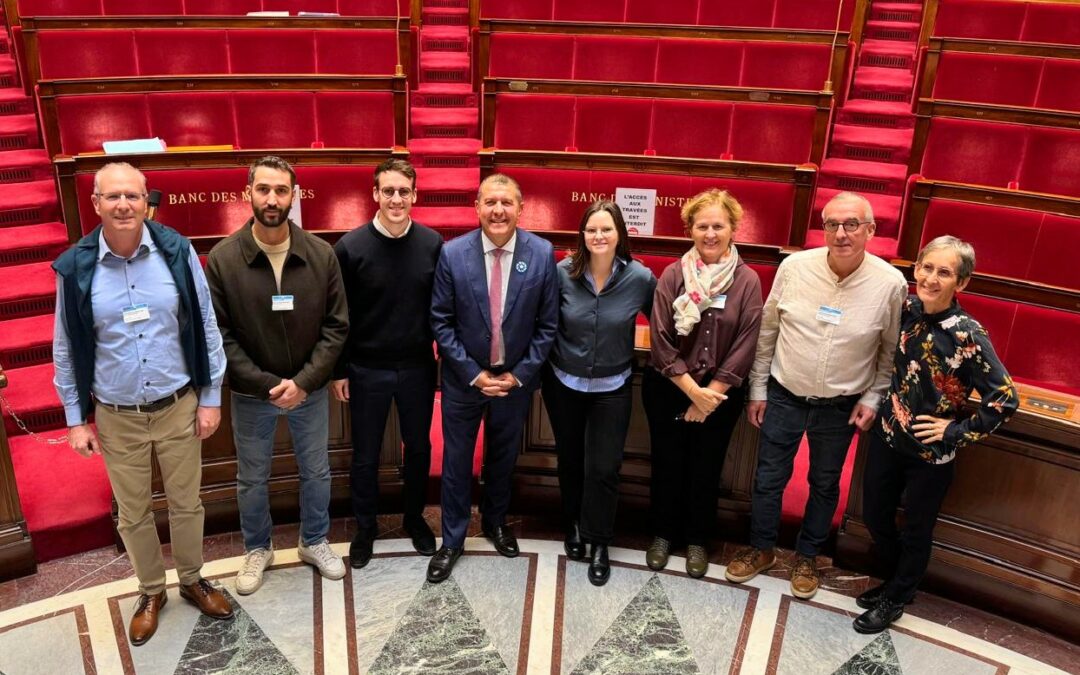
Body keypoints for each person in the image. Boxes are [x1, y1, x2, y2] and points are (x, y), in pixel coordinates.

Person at [52, 162, 231, 645]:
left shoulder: (176, 251)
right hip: (117, 414)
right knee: (132, 513)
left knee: (187, 503)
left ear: (146, 200)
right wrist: (75, 419)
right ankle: (151, 590)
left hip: (178, 404)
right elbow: (65, 346)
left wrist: (210, 396)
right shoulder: (74, 267)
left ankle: (192, 579)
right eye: (113, 197)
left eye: (132, 196)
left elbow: (206, 324)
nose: (123, 205)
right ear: (95, 203)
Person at [725, 191, 907, 599]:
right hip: (784, 393)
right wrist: (758, 388)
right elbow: (768, 331)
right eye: (832, 224)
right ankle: (761, 548)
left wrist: (873, 398)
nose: (841, 234)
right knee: (768, 478)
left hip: (841, 405)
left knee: (824, 483)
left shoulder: (890, 284)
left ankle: (808, 556)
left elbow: (889, 350)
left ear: (871, 230)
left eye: (852, 224)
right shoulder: (794, 268)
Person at [853, 236, 1017, 633]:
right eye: (926, 267)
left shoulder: (968, 333)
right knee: (874, 515)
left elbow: (1005, 398)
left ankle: (897, 596)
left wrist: (956, 430)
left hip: (931, 454)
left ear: (962, 282)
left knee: (916, 531)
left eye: (944, 272)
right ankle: (897, 582)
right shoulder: (907, 309)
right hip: (888, 437)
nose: (930, 278)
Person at [205, 156, 349, 594]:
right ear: (248, 193)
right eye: (264, 189)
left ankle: (314, 540)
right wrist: (267, 384)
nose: (272, 199)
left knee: (316, 471)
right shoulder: (223, 259)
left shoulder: (321, 254)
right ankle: (257, 548)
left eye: (281, 190)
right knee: (251, 477)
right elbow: (220, 334)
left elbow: (336, 326)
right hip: (253, 394)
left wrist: (304, 382)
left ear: (294, 196)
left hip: (309, 390)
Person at [427, 173, 559, 583]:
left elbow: (547, 326)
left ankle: (495, 522)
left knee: (503, 457)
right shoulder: (453, 253)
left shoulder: (541, 253)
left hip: (513, 383)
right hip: (464, 381)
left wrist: (518, 376)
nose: (498, 210)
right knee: (456, 462)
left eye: (506, 202)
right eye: (490, 202)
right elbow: (441, 321)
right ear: (477, 208)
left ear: (520, 208)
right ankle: (452, 540)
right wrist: (474, 373)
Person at [642, 189, 763, 579]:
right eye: (702, 226)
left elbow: (747, 341)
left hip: (720, 394)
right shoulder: (674, 275)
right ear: (690, 230)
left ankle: (697, 539)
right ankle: (662, 534)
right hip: (669, 388)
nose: (710, 233)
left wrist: (711, 394)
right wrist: (693, 393)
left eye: (718, 226)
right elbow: (660, 338)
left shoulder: (746, 281)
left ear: (732, 229)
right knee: (667, 463)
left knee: (706, 468)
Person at [331, 158, 443, 568]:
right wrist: (340, 370)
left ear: (414, 195)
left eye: (404, 191)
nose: (396, 199)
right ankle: (366, 527)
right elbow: (338, 314)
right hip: (367, 368)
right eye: (389, 191)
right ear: (375, 194)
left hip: (417, 366)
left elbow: (441, 308)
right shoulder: (350, 247)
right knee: (365, 454)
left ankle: (414, 518)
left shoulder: (432, 244)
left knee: (419, 448)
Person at [541, 201, 656, 586]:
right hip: (564, 384)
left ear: (620, 233)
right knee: (571, 460)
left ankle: (600, 541)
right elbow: (544, 322)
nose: (599, 236)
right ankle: (572, 523)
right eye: (591, 230)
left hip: (612, 387)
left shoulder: (640, 278)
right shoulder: (562, 273)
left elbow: (664, 325)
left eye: (606, 229)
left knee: (604, 468)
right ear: (582, 235)